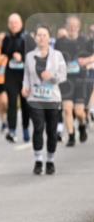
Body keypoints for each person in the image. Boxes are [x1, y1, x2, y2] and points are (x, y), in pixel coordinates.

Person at [22, 25, 67, 175]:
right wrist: (25, 87)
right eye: (39, 35)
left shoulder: (57, 55)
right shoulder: (29, 56)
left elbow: (63, 75)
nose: (41, 38)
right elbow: (27, 75)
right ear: (35, 38)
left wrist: (52, 77)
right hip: (35, 97)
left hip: (52, 98)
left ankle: (50, 161)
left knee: (52, 131)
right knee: (38, 128)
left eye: (44, 35)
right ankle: (38, 160)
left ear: (49, 38)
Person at [55, 15, 92, 146]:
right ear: (66, 27)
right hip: (65, 81)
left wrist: (86, 60)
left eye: (74, 26)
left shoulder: (85, 41)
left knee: (79, 112)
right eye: (70, 25)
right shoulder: (60, 42)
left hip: (81, 81)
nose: (72, 28)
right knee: (66, 109)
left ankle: (82, 125)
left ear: (79, 27)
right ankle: (71, 135)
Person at [2, 13, 35, 144]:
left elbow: (34, 54)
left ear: (21, 23)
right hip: (11, 75)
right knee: (11, 103)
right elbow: (4, 51)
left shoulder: (27, 37)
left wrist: (21, 56)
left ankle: (26, 128)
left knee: (25, 104)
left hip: (25, 76)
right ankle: (12, 131)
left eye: (16, 22)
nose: (13, 25)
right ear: (8, 25)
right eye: (11, 23)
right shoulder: (6, 38)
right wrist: (12, 53)